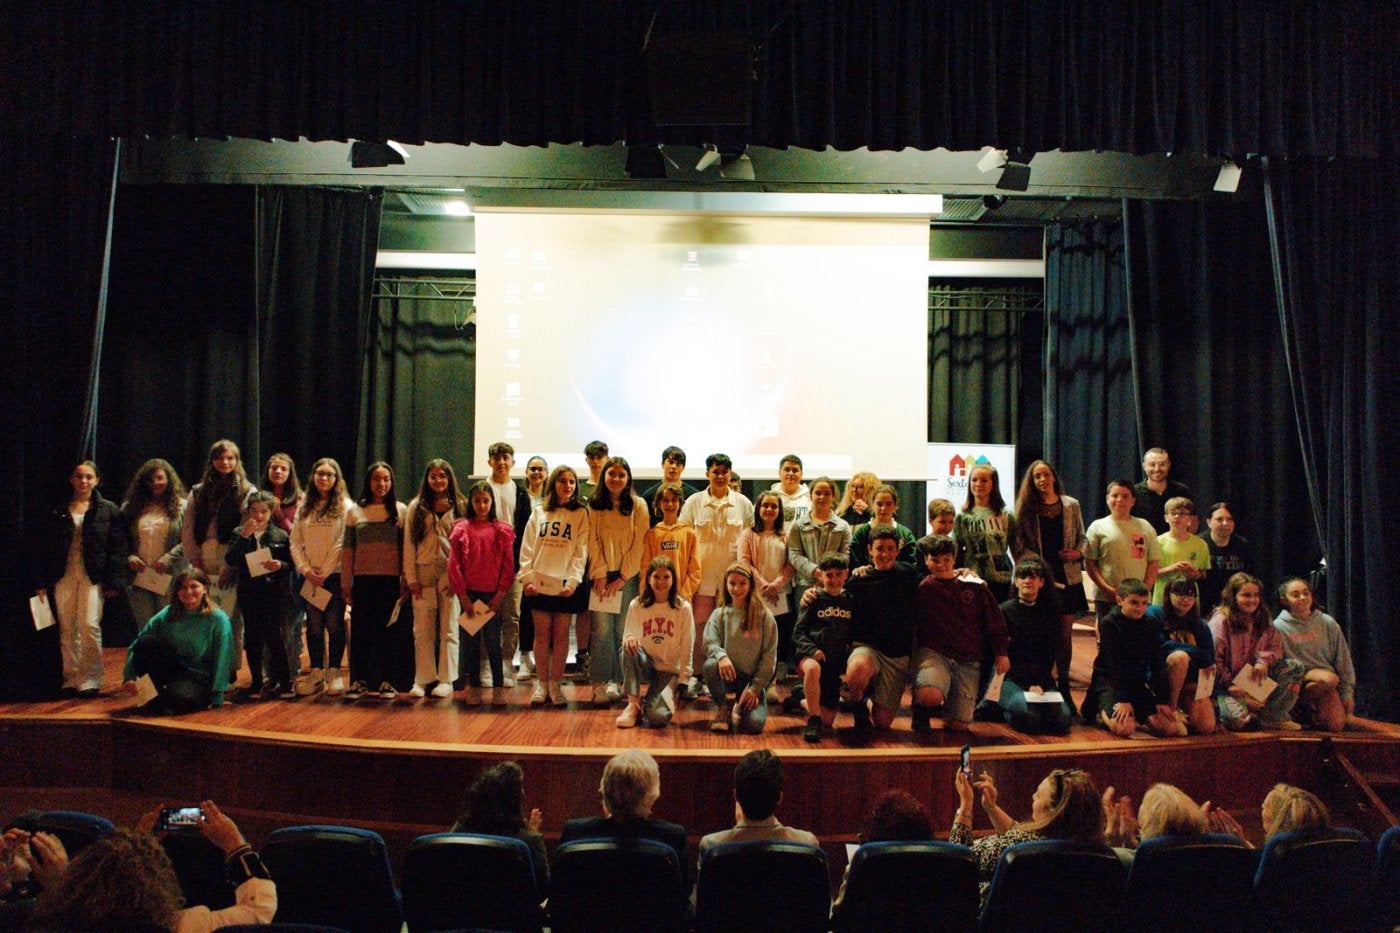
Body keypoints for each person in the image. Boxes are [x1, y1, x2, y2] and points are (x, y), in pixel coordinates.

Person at [24, 801, 275, 932]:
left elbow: (73, 911)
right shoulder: (187, 927)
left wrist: (61, 886)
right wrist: (235, 844)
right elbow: (259, 908)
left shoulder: (53, 921)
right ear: (161, 885)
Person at [34, 460, 131, 697]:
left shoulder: (108, 509)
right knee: (67, 628)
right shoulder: (58, 509)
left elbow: (118, 549)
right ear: (72, 479)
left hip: (92, 576)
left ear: (96, 480)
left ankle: (90, 679)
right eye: (79, 476)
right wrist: (39, 581)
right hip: (63, 574)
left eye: (89, 477)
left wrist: (113, 582)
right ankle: (71, 677)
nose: (84, 481)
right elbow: (42, 547)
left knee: (89, 625)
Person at [949, 766, 1106, 902]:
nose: (1032, 797)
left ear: (1054, 812)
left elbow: (958, 864)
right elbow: (1021, 833)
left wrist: (966, 804)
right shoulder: (1097, 856)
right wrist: (991, 807)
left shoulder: (1017, 851)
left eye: (1038, 795)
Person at [912, 534, 1010, 733]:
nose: (941, 565)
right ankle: (922, 706)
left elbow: (994, 619)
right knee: (930, 694)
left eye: (946, 560)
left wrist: (1001, 652)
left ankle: (951, 707)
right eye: (935, 560)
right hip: (936, 654)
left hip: (967, 659)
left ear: (954, 559)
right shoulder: (923, 588)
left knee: (959, 725)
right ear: (926, 561)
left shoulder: (974, 585)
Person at [1011, 459, 1087, 700]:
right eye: (1037, 477)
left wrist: (1078, 553)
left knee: (1064, 635)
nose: (1042, 480)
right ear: (1031, 482)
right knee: (1040, 631)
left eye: (1045, 475)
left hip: (1068, 576)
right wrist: (1039, 566)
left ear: (1054, 476)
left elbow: (1083, 538)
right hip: (1038, 578)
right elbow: (1018, 546)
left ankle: (1064, 684)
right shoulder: (1025, 508)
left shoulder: (1071, 504)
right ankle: (1039, 681)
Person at [679, 454, 754, 696]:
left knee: (728, 630)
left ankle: (724, 679)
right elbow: (684, 539)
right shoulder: (693, 502)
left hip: (733, 584)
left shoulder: (743, 503)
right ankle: (697, 676)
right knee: (699, 628)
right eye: (715, 471)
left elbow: (751, 540)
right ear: (707, 474)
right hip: (702, 579)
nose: (720, 476)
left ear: (730, 474)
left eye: (724, 471)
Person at [560, 750, 688, 885]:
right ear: (652, 796)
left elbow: (561, 887)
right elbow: (683, 892)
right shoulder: (672, 836)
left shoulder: (574, 831)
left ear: (604, 789)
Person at [519, 464, 590, 706]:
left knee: (560, 638)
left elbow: (581, 552)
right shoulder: (539, 511)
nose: (567, 486)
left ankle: (555, 686)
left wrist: (572, 582)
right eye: (562, 481)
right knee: (541, 636)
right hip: (538, 584)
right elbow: (527, 547)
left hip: (565, 586)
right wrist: (527, 578)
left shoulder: (581, 513)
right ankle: (541, 685)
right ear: (553, 484)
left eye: (571, 482)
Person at [1081, 578, 1187, 737]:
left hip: (1136, 683)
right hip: (1110, 682)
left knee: (1169, 729)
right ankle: (1100, 707)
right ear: (1120, 600)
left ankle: (1135, 712)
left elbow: (1156, 662)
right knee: (1125, 728)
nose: (1140, 608)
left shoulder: (1150, 623)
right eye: (1134, 603)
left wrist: (1161, 700)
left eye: (1144, 603)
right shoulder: (1109, 623)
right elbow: (1113, 664)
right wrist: (1123, 700)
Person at [180, 440, 254, 665]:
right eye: (220, 458)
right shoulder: (198, 491)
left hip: (231, 555)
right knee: (204, 613)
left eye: (230, 458)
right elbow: (188, 528)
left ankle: (230, 668)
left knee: (232, 617)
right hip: (203, 554)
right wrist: (195, 561)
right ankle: (206, 665)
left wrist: (230, 564)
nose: (225, 462)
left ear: (237, 461)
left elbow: (245, 531)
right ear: (212, 461)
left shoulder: (247, 491)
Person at [340, 461, 409, 699]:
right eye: (376, 479)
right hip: (363, 581)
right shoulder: (354, 512)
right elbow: (348, 550)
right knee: (361, 631)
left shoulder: (400, 510)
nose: (382, 484)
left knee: (387, 632)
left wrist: (405, 579)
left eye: (386, 479)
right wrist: (345, 584)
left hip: (390, 582)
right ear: (368, 482)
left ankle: (386, 681)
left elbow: (405, 549)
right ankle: (359, 680)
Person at [123, 568, 234, 713]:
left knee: (181, 699)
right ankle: (153, 697)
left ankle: (159, 699)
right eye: (183, 587)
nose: (188, 592)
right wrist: (129, 676)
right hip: (174, 670)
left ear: (205, 589)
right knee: (146, 643)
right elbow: (137, 643)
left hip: (200, 676)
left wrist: (217, 696)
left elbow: (223, 658)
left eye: (194, 586)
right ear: (177, 592)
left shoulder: (218, 618)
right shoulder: (167, 613)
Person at [585, 456, 650, 707]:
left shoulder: (638, 505)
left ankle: (621, 681)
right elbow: (591, 540)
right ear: (604, 476)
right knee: (601, 632)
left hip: (628, 578)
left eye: (621, 475)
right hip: (601, 577)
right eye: (611, 474)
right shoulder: (594, 505)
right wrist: (600, 573)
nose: (616, 479)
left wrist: (623, 576)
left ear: (628, 478)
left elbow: (639, 544)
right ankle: (600, 684)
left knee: (625, 631)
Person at [983, 558, 1074, 734]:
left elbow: (1049, 654)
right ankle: (1001, 709)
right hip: (1009, 678)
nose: (1027, 581)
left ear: (1041, 582)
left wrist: (1040, 683)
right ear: (1016, 581)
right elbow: (1000, 653)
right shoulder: (1003, 611)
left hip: (1040, 679)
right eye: (1023, 577)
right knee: (1029, 719)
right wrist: (1026, 686)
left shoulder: (1050, 613)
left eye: (1033, 577)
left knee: (1062, 720)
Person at [447, 480, 517, 706]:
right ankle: (474, 686)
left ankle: (498, 686)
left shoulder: (501, 530)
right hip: (470, 595)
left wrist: (499, 596)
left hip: (492, 596)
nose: (481, 505)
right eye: (477, 501)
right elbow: (454, 566)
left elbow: (508, 566)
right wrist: (464, 597)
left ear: (492, 502)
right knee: (470, 643)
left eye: (485, 501)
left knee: (492, 642)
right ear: (471, 502)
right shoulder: (462, 528)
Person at [844, 527, 921, 733]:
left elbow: (937, 581)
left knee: (883, 723)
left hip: (897, 656)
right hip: (867, 649)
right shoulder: (858, 580)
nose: (885, 554)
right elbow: (835, 598)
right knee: (857, 671)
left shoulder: (909, 575)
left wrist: (962, 572)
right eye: (879, 549)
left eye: (890, 549)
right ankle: (858, 705)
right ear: (869, 549)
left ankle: (869, 696)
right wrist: (812, 593)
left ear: (898, 550)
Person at [403, 459, 468, 699]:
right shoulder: (416, 507)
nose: (438, 480)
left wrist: (460, 578)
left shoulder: (461, 506)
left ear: (450, 478)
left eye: (443, 476)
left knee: (449, 628)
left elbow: (466, 547)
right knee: (422, 629)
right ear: (427, 479)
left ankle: (446, 679)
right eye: (433, 476)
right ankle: (423, 678)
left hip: (451, 575)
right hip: (423, 572)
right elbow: (409, 545)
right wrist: (411, 578)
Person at [1209, 572, 1305, 731]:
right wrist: (1231, 686)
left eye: (1255, 595)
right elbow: (1213, 661)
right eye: (1246, 595)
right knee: (1237, 721)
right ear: (1233, 596)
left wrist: (1263, 662)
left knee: (1294, 667)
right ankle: (1242, 710)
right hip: (1225, 686)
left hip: (1254, 679)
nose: (1252, 600)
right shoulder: (1221, 621)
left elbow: (1276, 647)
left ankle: (1272, 717)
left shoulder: (1263, 617)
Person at [290, 457, 353, 697]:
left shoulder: (346, 506)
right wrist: (306, 570)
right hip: (311, 576)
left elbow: (342, 542)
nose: (324, 478)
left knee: (335, 625)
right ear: (313, 477)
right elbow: (295, 541)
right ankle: (317, 671)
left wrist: (325, 572)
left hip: (334, 575)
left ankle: (334, 672)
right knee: (314, 627)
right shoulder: (305, 505)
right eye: (320, 474)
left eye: (329, 474)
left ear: (336, 479)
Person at [223, 492, 294, 700]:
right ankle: (256, 681)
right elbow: (230, 559)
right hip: (249, 591)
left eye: (263, 511)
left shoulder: (280, 535)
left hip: (273, 591)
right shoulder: (239, 532)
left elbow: (290, 564)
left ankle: (285, 681)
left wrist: (279, 565)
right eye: (254, 510)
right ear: (248, 511)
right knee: (252, 636)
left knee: (275, 635)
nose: (259, 515)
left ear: (271, 512)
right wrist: (244, 536)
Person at [616, 556, 694, 729]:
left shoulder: (683, 608)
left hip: (668, 670)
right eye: (656, 577)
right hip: (646, 664)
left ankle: (654, 700)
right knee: (628, 648)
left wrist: (684, 680)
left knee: (657, 718)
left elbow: (688, 647)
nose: (661, 582)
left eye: (666, 577)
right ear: (648, 579)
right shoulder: (637, 604)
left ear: (673, 579)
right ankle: (633, 705)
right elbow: (628, 633)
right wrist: (629, 638)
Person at [702, 562, 778, 734]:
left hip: (750, 682)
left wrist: (755, 688)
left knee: (754, 726)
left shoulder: (764, 616)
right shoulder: (720, 613)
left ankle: (740, 705)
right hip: (727, 676)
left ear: (751, 584)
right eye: (732, 583)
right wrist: (721, 656)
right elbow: (709, 642)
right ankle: (723, 708)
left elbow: (769, 657)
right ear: (726, 585)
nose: (737, 588)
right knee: (710, 665)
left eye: (742, 583)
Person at [451, 761, 548, 896]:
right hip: (512, 915)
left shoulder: (459, 832)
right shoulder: (529, 841)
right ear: (516, 801)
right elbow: (541, 891)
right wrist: (532, 836)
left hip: (466, 911)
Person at [699, 750, 817, 859]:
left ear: (735, 796)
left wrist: (742, 827)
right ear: (780, 798)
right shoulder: (807, 844)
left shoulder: (711, 846)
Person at [484, 442, 536, 689]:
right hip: (483, 567)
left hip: (512, 565)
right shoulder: (481, 489)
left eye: (506, 458)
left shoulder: (520, 493)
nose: (501, 462)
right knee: (485, 615)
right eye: (496, 457)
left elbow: (526, 531)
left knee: (512, 616)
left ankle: (506, 662)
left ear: (513, 462)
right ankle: (485, 664)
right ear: (489, 461)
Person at [1273, 576, 1355, 732]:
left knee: (1335, 724)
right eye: (1295, 595)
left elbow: (1343, 661)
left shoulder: (1327, 622)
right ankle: (1294, 705)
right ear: (1284, 600)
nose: (1302, 598)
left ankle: (1308, 712)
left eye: (1306, 593)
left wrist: (1346, 693)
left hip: (1325, 684)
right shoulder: (1277, 627)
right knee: (1329, 678)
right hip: (1294, 680)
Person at [792, 551, 854, 742]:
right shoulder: (813, 599)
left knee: (829, 721)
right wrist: (812, 650)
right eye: (829, 575)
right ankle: (813, 719)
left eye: (838, 574)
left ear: (846, 574)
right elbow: (798, 633)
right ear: (820, 574)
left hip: (833, 667)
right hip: (810, 658)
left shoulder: (851, 600)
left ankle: (801, 697)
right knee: (813, 668)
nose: (834, 580)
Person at [121, 458, 188, 632]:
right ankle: (150, 660)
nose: (155, 483)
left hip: (170, 576)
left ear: (169, 479)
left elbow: (189, 540)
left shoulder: (183, 506)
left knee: (171, 626)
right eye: (150, 479)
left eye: (160, 478)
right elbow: (120, 539)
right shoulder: (130, 507)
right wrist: (130, 557)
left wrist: (169, 558)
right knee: (146, 628)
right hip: (139, 577)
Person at [738, 491, 795, 694]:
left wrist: (776, 585)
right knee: (755, 639)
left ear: (779, 511)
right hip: (756, 594)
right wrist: (764, 586)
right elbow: (744, 562)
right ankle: (753, 682)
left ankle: (770, 683)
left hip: (780, 595)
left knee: (775, 640)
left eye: (773, 506)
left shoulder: (787, 535)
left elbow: (791, 564)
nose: (769, 509)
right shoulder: (748, 534)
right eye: (765, 505)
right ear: (758, 508)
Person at [1145, 578, 1218, 734]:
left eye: (1190, 595)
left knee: (1206, 727)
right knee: (1179, 657)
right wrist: (1193, 650)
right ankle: (1172, 708)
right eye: (1179, 594)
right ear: (1168, 594)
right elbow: (1157, 648)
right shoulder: (1155, 613)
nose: (1185, 599)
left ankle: (1185, 708)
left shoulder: (1200, 625)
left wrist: (1174, 646)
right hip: (1160, 680)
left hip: (1189, 682)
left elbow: (1209, 659)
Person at [1084, 480, 1161, 622]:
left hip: (1139, 599)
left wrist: (1143, 591)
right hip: (1106, 596)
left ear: (1133, 501)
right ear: (1107, 499)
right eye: (1115, 496)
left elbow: (1153, 562)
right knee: (1108, 637)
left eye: (1125, 496)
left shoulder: (1145, 527)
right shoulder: (1097, 527)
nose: (1119, 500)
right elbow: (1089, 563)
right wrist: (1108, 589)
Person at [260, 452, 303, 679]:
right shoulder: (259, 497)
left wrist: (279, 515)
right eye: (273, 467)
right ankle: (270, 672)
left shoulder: (299, 500)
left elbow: (298, 536)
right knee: (268, 623)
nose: (278, 472)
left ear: (290, 473)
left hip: (289, 568)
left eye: (283, 469)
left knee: (290, 623)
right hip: (264, 569)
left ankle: (291, 670)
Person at [955, 463, 1018, 601]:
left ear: (993, 484)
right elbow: (956, 549)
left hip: (1000, 579)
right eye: (974, 480)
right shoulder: (962, 516)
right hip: (971, 577)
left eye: (984, 480)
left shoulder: (1006, 515)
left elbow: (1016, 549)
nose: (978, 484)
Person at [1207, 783, 1332, 845]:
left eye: (1264, 807)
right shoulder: (1328, 850)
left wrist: (1240, 846)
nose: (1262, 809)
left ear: (1278, 818)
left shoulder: (1276, 857)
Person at [516, 455, 549, 681]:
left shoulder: (552, 498)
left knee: (548, 614)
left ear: (547, 473)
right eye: (533, 469)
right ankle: (525, 658)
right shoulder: (519, 496)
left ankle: (545, 661)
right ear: (526, 472)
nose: (537, 473)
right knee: (525, 612)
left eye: (541, 469)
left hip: (549, 562)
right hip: (526, 562)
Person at [639, 483, 701, 603]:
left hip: (681, 599)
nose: (670, 504)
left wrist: (684, 595)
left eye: (674, 500)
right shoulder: (652, 534)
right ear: (658, 504)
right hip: (656, 597)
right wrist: (647, 594)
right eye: (665, 500)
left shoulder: (689, 533)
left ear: (680, 503)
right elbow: (645, 568)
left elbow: (695, 570)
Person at [787, 476, 851, 592]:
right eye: (818, 493)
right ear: (811, 496)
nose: (822, 497)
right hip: (805, 584)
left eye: (827, 494)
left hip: (834, 584)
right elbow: (794, 555)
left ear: (833, 497)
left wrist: (828, 574)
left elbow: (846, 555)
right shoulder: (798, 525)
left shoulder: (843, 526)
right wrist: (815, 571)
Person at [1153, 497, 1210, 606]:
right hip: (1163, 598)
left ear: (1189, 519)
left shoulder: (1200, 544)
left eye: (1183, 513)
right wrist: (1171, 569)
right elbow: (1149, 573)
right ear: (1166, 518)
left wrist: (1195, 574)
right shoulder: (1157, 542)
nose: (1177, 516)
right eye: (1173, 513)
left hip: (1189, 598)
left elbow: (1203, 574)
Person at [848, 484, 919, 568]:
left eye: (888, 504)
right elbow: (854, 562)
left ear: (895, 506)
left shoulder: (905, 534)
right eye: (879, 504)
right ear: (872, 505)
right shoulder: (862, 532)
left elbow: (911, 565)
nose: (883, 508)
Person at [1132, 447, 1192, 536]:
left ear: (1169, 465)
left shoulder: (1181, 491)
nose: (1157, 469)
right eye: (1152, 464)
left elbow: (1191, 520)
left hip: (1175, 545)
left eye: (1162, 464)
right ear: (1144, 466)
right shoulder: (1133, 492)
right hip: (1143, 546)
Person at [1202, 501, 1251, 608]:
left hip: (1235, 604)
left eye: (1229, 519)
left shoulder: (1242, 544)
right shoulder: (1199, 544)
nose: (1225, 523)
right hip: (1204, 604)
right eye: (1219, 519)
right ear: (1209, 522)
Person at [640, 446, 700, 528]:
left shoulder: (694, 496)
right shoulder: (649, 495)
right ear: (662, 464)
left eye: (678, 464)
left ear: (683, 468)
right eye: (671, 462)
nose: (674, 467)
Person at [769, 454, 811, 522]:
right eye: (787, 470)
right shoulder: (768, 498)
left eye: (795, 470)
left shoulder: (810, 498)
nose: (791, 473)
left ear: (801, 474)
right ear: (779, 473)